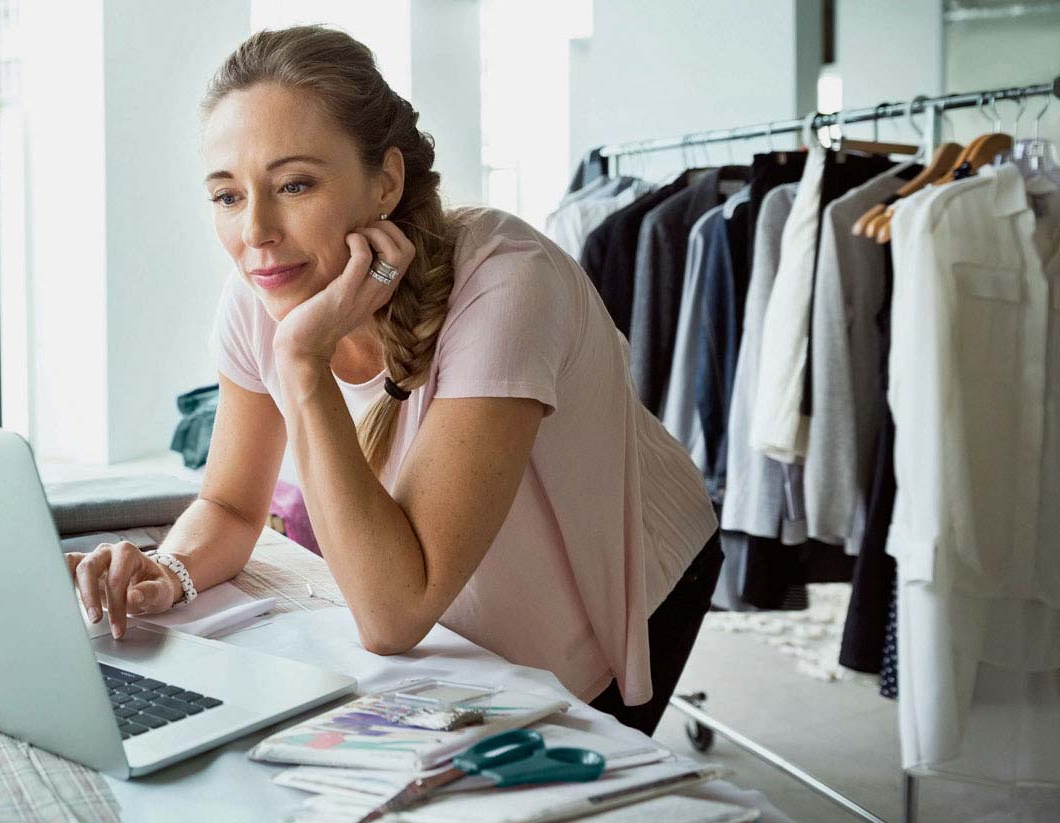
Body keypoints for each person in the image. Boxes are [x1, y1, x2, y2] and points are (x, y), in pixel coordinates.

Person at [64, 26, 719, 736]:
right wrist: (173, 569)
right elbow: (227, 502)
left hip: (624, 566)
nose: (255, 231)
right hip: (456, 574)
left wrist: (302, 360)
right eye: (227, 195)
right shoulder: (255, 296)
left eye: (293, 184)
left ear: (385, 182)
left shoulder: (506, 285)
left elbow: (393, 614)